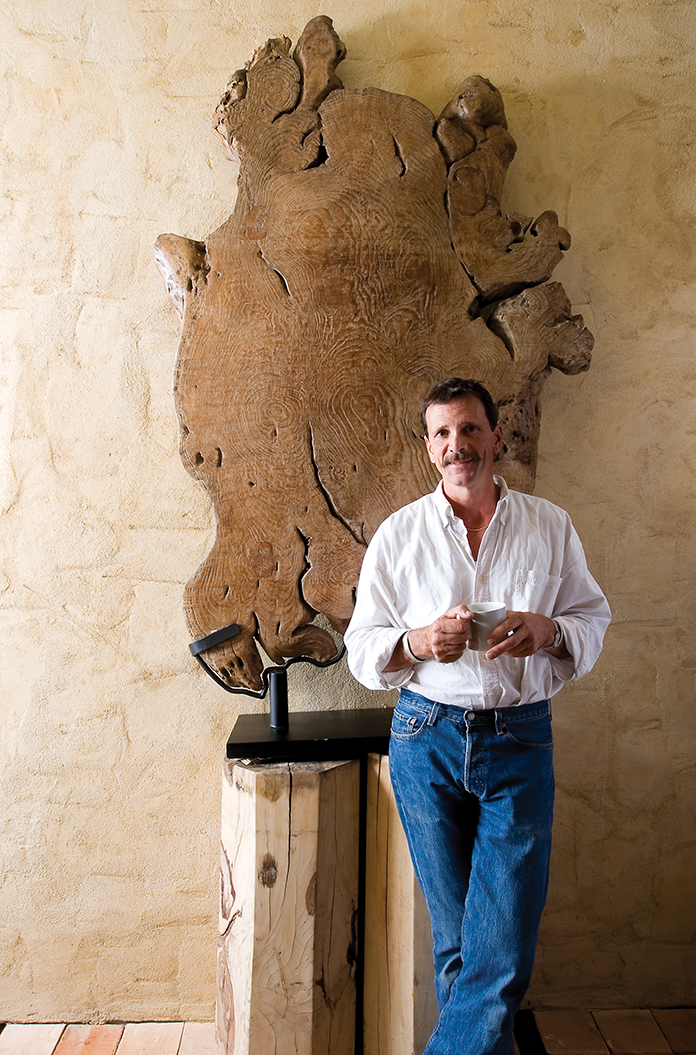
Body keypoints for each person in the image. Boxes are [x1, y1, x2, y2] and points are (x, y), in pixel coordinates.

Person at [344, 377, 610, 1055]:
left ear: (496, 435)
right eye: (441, 433)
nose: (456, 445)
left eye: (468, 429)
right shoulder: (400, 535)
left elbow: (592, 618)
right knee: (463, 942)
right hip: (425, 737)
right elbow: (361, 646)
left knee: (501, 947)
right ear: (429, 448)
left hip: (520, 740)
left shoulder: (550, 526)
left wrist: (547, 627)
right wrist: (416, 642)